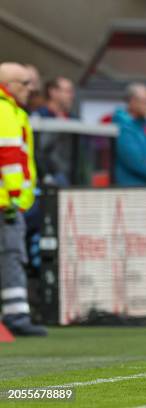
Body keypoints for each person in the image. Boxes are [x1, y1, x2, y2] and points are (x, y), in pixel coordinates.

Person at [0, 62, 47, 336]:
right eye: (25, 83)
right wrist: (16, 196)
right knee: (11, 255)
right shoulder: (7, 111)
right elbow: (9, 157)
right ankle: (16, 316)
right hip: (7, 202)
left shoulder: (11, 110)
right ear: (11, 84)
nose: (30, 89)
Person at [31, 77, 77, 186]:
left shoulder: (73, 119)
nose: (71, 96)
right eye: (67, 91)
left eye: (72, 92)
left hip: (72, 178)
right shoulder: (39, 117)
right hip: (48, 179)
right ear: (53, 92)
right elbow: (37, 150)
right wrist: (46, 175)